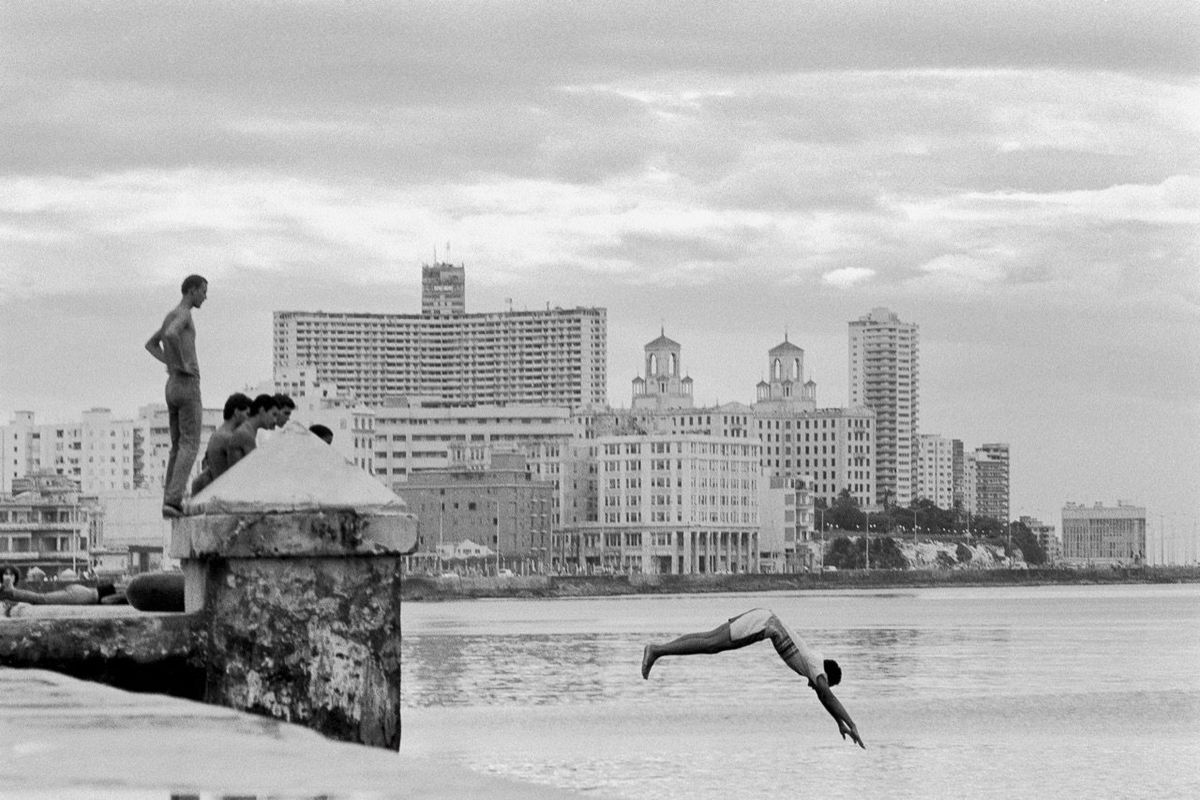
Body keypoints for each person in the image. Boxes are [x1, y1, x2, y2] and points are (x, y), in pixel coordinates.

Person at [641, 607, 865, 748]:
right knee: (710, 645)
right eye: (826, 683)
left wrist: (838, 722)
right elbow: (827, 695)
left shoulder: (813, 663)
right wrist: (852, 724)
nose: (815, 687)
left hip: (762, 617)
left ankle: (657, 650)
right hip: (762, 624)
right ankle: (657, 651)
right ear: (826, 675)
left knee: (709, 640)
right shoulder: (816, 665)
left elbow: (823, 697)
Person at [145, 274, 208, 518]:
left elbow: (151, 344)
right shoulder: (184, 314)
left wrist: (170, 363)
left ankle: (168, 500)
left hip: (171, 385)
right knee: (190, 444)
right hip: (187, 383)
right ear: (192, 290)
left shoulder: (170, 314)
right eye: (203, 291)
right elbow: (171, 334)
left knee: (177, 446)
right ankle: (174, 498)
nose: (205, 297)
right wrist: (181, 364)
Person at [191, 392, 252, 495]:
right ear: (237, 412)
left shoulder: (215, 436)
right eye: (247, 414)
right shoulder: (230, 439)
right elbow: (244, 473)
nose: (248, 419)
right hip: (230, 493)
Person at [1, 565, 121, 606]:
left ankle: (10, 592)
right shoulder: (123, 595)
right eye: (6, 574)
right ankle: (9, 592)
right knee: (42, 598)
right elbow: (106, 600)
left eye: (10, 575)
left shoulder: (120, 590)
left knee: (42, 598)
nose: (8, 577)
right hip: (81, 594)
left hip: (81, 593)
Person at [228, 394, 277, 467]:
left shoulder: (249, 431)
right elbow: (255, 467)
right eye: (274, 414)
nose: (275, 420)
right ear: (262, 410)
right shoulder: (245, 434)